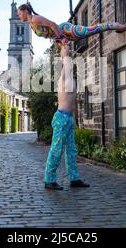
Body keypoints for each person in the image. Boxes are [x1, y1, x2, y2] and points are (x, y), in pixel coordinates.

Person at [44, 39, 90, 190]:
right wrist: (65, 48)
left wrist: (65, 47)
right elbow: (66, 61)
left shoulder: (72, 80)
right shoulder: (64, 79)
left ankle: (74, 179)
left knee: (71, 151)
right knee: (57, 149)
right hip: (61, 118)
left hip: (69, 119)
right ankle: (49, 180)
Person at [17, 3, 126, 43]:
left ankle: (114, 25)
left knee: (90, 30)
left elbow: (53, 25)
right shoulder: (31, 25)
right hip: (64, 36)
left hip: (64, 29)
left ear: (25, 11)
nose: (19, 16)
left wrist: (61, 37)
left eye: (19, 13)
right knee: (88, 33)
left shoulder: (35, 19)